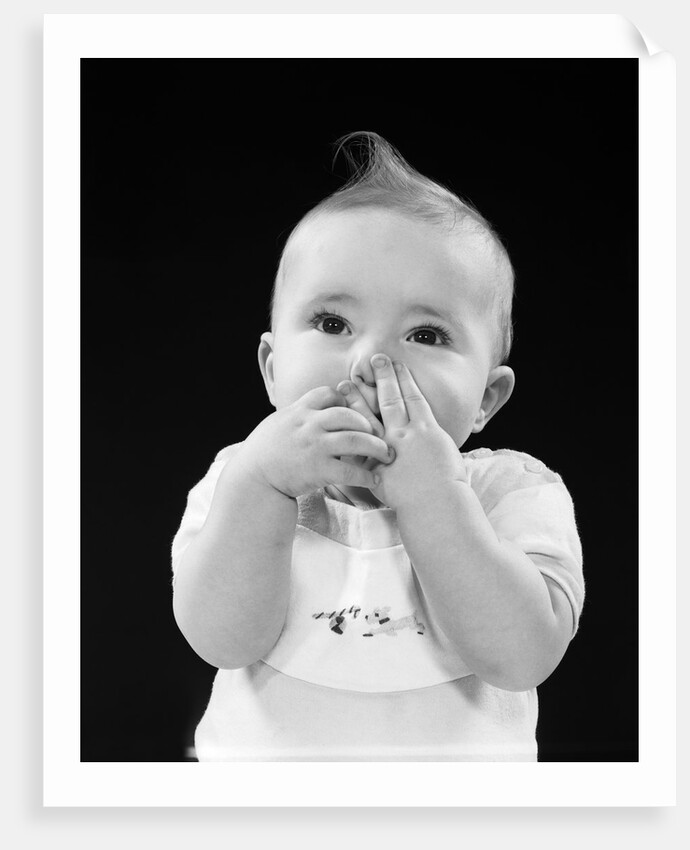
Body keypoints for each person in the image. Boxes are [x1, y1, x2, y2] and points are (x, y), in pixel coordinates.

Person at [171, 131, 584, 761]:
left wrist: (434, 496)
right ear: (272, 368)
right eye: (333, 324)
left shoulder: (511, 493)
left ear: (486, 400)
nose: (371, 360)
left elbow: (522, 655)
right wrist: (264, 487)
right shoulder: (243, 478)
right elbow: (221, 640)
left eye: (426, 333)